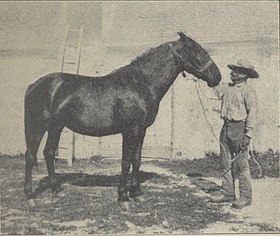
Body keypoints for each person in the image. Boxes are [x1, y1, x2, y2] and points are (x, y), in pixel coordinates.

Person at [211, 59, 259, 209]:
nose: (232, 73)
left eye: (236, 71)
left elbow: (253, 113)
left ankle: (245, 196)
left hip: (240, 128)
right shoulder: (227, 88)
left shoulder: (248, 91)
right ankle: (227, 193)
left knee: (241, 164)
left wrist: (248, 134)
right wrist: (201, 79)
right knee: (225, 162)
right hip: (226, 127)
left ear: (244, 75)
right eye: (233, 70)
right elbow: (215, 89)